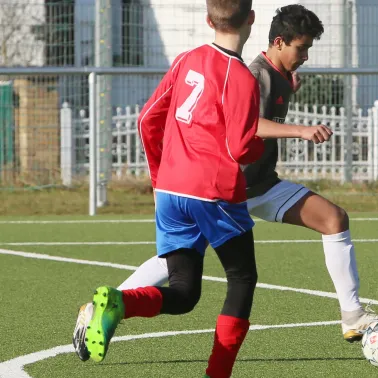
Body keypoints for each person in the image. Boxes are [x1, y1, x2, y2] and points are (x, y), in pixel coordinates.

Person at [73, 4, 378, 363]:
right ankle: (101, 308)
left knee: (333, 219)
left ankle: (352, 316)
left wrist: (288, 85)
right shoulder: (252, 74)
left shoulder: (273, 74)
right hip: (227, 190)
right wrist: (300, 130)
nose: (305, 56)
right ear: (277, 40)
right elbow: (246, 129)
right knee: (190, 270)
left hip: (259, 185)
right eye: (300, 48)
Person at [78, 1, 264, 377]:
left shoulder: (187, 59)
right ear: (251, 19)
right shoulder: (242, 77)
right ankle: (218, 373)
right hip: (214, 193)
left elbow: (147, 119)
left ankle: (120, 302)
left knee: (184, 292)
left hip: (171, 191)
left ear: (208, 20)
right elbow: (241, 148)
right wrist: (263, 144)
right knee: (242, 278)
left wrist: (161, 177)